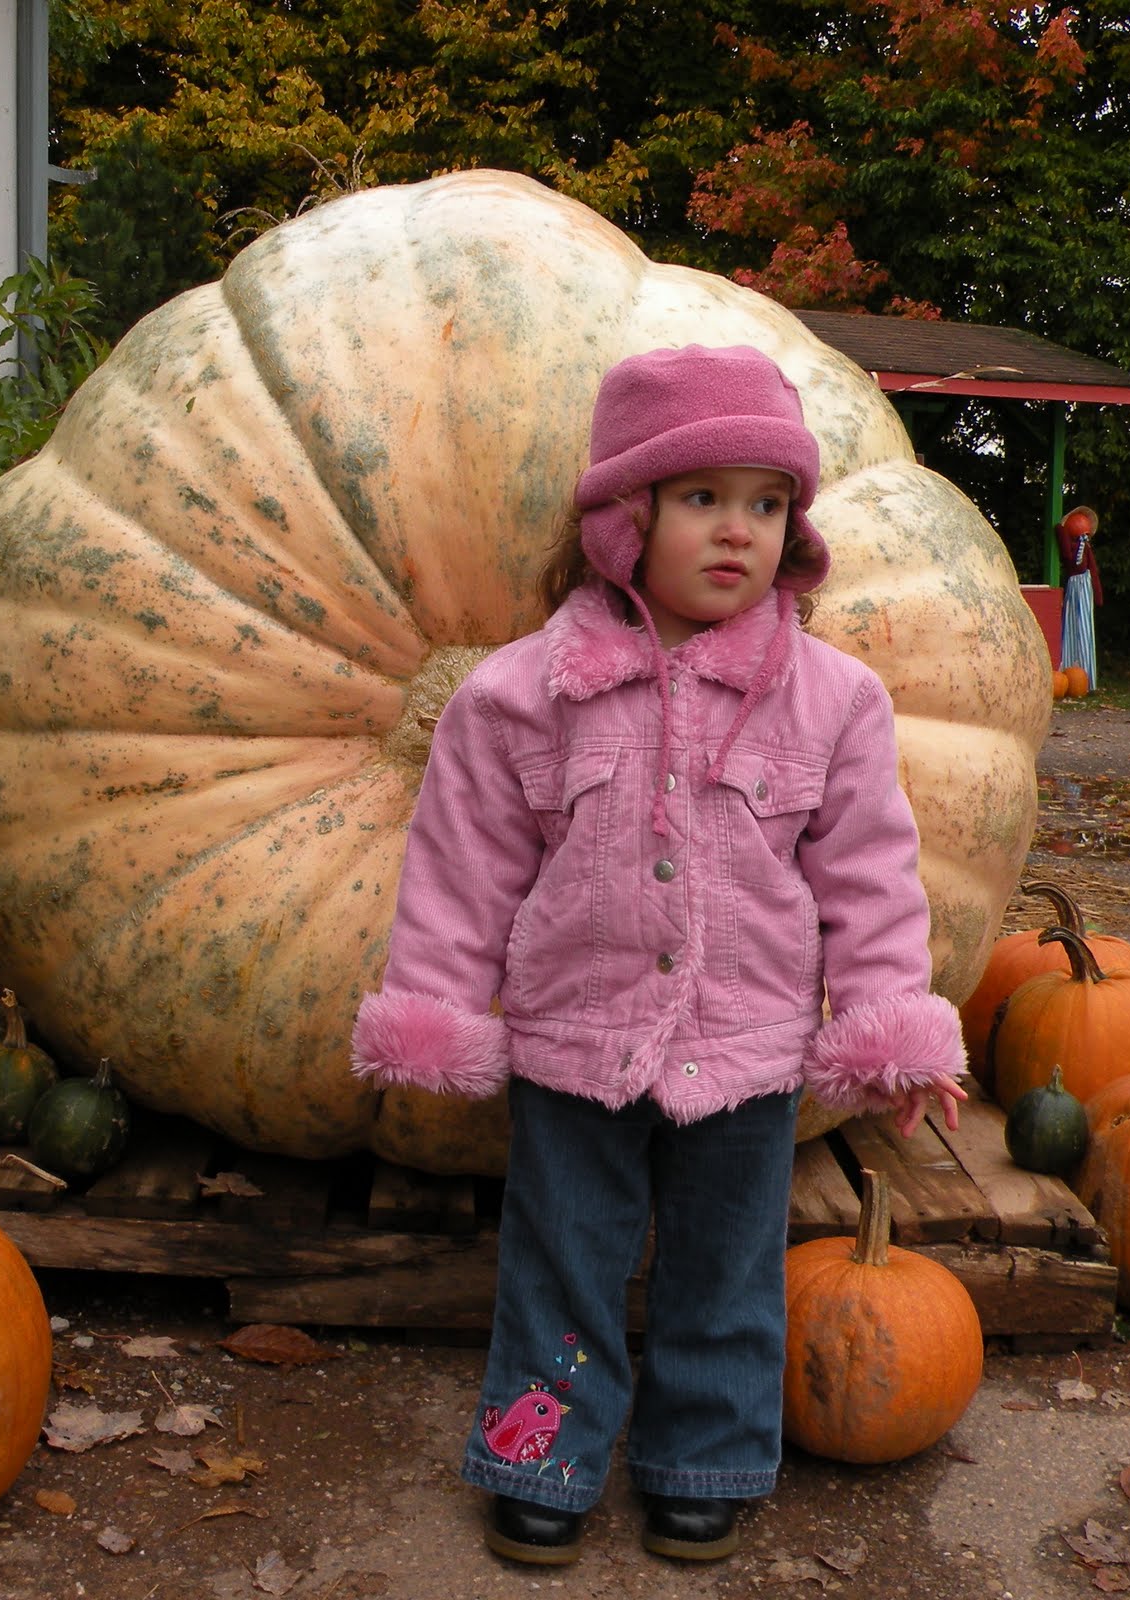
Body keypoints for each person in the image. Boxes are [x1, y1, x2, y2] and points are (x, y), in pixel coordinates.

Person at [351, 344, 967, 1568]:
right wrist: (432, 1003)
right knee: (559, 1265)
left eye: (765, 502)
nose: (736, 531)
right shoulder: (519, 696)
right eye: (701, 499)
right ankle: (538, 1454)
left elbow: (867, 875)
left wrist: (888, 1019)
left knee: (724, 1269)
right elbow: (464, 864)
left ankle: (703, 1456)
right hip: (572, 1039)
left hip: (745, 1047)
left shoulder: (832, 701)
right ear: (622, 518)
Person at [1056, 504, 1101, 691]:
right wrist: (1060, 530)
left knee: (1084, 628)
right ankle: (1070, 668)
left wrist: (1098, 596)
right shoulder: (1072, 546)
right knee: (1071, 624)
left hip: (1084, 587)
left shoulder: (1086, 549)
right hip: (1074, 585)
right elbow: (1066, 554)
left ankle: (1085, 678)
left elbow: (1093, 571)